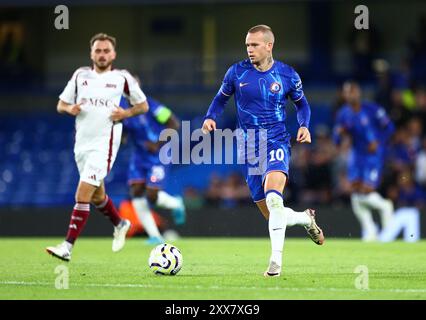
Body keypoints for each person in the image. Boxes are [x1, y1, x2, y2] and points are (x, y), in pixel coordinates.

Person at [202, 25, 324, 277]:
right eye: (247, 45)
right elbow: (220, 99)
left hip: (277, 140)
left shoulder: (287, 75)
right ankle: (304, 219)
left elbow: (303, 105)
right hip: (248, 147)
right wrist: (210, 117)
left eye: (254, 45)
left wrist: (304, 126)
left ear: (269, 46)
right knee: (272, 213)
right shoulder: (236, 72)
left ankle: (275, 263)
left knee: (273, 198)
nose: (249, 49)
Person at [46, 33, 149, 261]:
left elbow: (143, 105)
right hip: (82, 143)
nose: (102, 54)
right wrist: (69, 109)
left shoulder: (122, 78)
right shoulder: (80, 75)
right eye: (98, 51)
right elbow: (61, 103)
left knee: (82, 194)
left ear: (114, 54)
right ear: (91, 53)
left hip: (105, 143)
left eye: (106, 51)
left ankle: (67, 247)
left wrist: (125, 113)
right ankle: (120, 223)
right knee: (96, 195)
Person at [333, 81, 395, 241]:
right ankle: (370, 230)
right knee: (354, 191)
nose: (350, 94)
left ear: (358, 93)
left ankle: (385, 209)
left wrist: (379, 141)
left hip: (374, 156)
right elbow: (336, 139)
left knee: (367, 189)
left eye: (352, 91)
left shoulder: (372, 109)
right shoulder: (343, 114)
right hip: (357, 155)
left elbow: (390, 128)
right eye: (347, 92)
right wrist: (340, 134)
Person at [121, 93, 186, 245]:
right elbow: (124, 134)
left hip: (158, 155)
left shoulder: (152, 107)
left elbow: (174, 123)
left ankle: (176, 203)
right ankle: (155, 236)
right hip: (138, 156)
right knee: (136, 191)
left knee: (152, 194)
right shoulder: (123, 110)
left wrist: (157, 143)